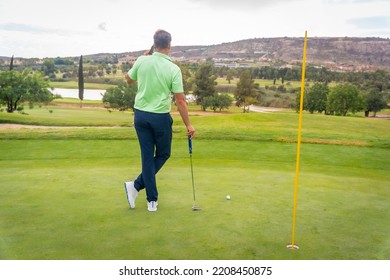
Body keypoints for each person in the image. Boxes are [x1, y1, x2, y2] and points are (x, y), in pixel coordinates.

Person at [124, 29, 196, 212]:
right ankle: (146, 195)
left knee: (147, 157)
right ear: (169, 46)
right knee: (163, 154)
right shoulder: (173, 69)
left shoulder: (142, 60)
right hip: (160, 118)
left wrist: (143, 59)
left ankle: (142, 193)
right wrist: (188, 124)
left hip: (140, 115)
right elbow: (180, 100)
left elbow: (128, 80)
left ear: (154, 43)